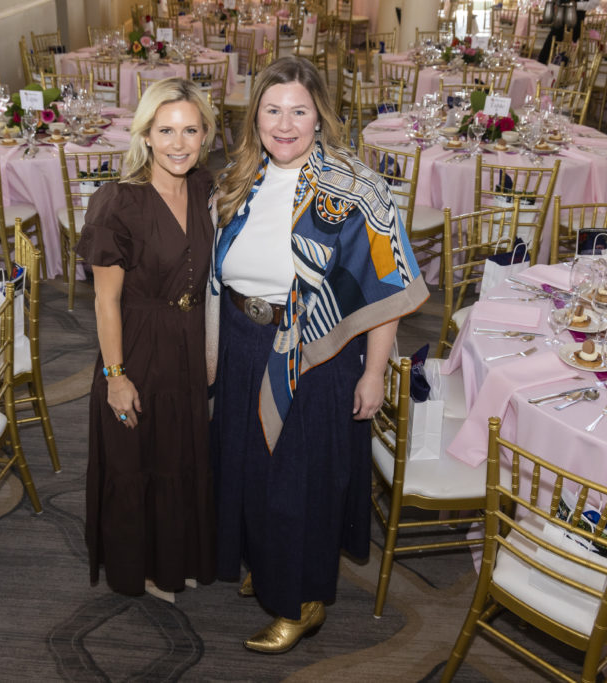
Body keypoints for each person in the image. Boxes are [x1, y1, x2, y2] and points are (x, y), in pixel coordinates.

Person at [206, 56, 429, 653]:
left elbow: (385, 292)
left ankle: (300, 601)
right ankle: (267, 565)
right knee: (250, 466)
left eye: (298, 111)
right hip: (243, 343)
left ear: (319, 116)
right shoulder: (239, 178)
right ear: (255, 115)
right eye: (273, 110)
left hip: (316, 357)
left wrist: (375, 371)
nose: (285, 124)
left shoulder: (355, 188)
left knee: (297, 483)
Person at [76, 77, 217, 601]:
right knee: (139, 458)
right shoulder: (119, 202)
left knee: (180, 454)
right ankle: (144, 566)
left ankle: (174, 557)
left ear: (205, 135)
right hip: (137, 343)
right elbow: (104, 301)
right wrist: (115, 377)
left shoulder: (206, 189)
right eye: (166, 130)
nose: (178, 143)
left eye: (190, 130)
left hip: (189, 339)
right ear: (146, 136)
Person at [537, 0, 601, 64]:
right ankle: (543, 63)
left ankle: (562, 67)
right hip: (561, 18)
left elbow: (595, 3)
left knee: (567, 49)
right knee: (550, 41)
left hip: (575, 21)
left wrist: (577, 5)